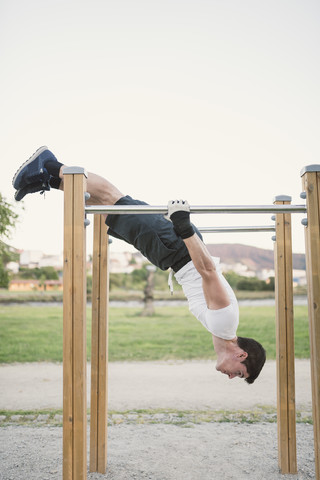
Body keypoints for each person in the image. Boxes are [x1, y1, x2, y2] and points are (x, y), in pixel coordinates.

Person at [12, 146, 266, 384]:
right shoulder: (225, 324)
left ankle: (48, 179)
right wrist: (183, 226)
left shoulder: (221, 330)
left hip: (172, 253)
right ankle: (51, 164)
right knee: (116, 200)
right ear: (241, 355)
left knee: (108, 211)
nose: (232, 377)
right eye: (239, 374)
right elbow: (208, 271)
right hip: (177, 248)